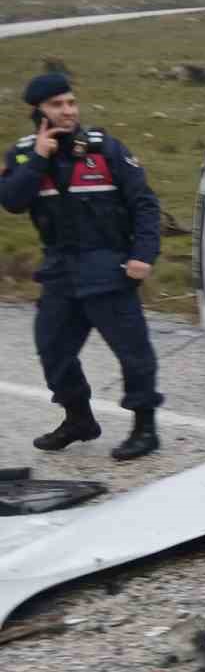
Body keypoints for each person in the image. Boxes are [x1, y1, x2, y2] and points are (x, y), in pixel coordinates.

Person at [0, 73, 164, 460]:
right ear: (37, 111)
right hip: (59, 273)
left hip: (108, 268)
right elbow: (12, 201)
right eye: (58, 104)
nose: (69, 110)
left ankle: (145, 429)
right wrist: (39, 157)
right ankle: (79, 420)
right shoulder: (23, 155)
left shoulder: (105, 150)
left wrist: (144, 254)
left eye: (71, 102)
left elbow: (144, 203)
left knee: (133, 352)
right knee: (52, 349)